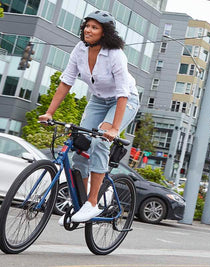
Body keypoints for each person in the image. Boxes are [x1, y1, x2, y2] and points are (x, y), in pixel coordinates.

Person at [39, 10, 140, 224]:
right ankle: (81, 202)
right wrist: (49, 112)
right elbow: (66, 81)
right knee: (80, 145)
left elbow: (123, 92)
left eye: (94, 27)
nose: (88, 30)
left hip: (124, 100)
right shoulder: (79, 49)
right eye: (87, 25)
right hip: (98, 100)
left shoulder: (115, 55)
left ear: (104, 33)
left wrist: (113, 128)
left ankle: (93, 203)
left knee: (101, 141)